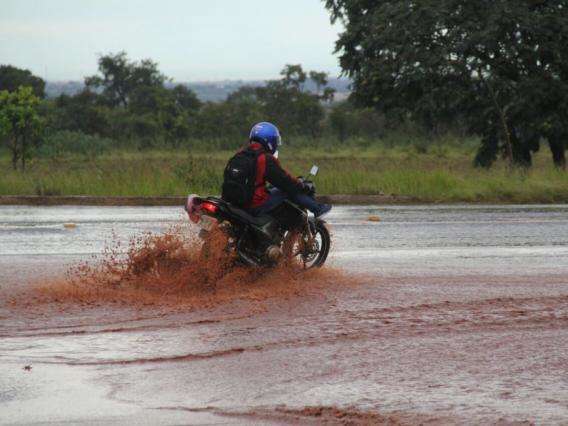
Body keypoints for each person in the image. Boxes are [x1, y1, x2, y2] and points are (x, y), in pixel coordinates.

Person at [227, 122, 331, 218]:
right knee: (289, 190)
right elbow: (285, 182)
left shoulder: (240, 155)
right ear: (269, 140)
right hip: (255, 205)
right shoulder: (264, 158)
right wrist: (301, 185)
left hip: (236, 204)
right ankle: (317, 209)